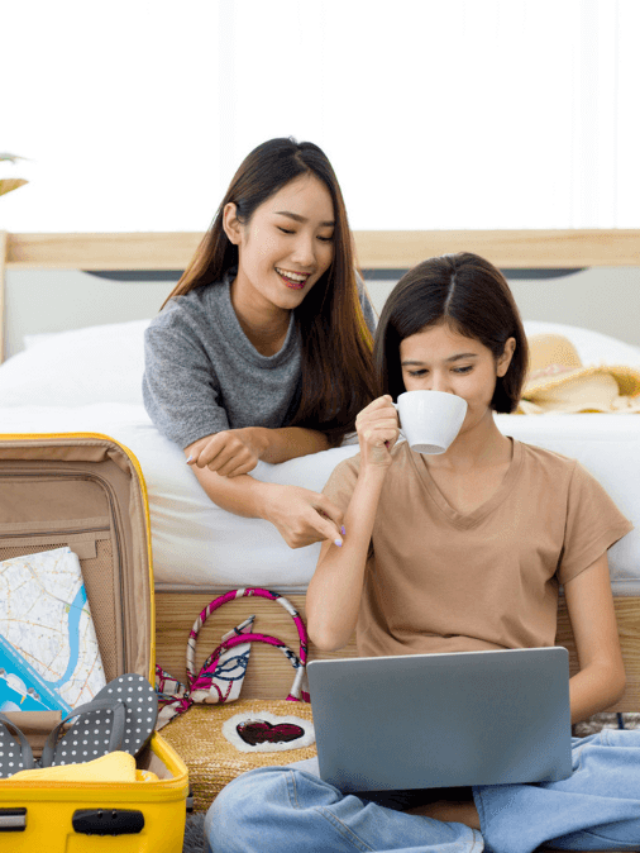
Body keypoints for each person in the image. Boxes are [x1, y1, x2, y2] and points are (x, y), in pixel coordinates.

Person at [205, 253, 640, 853]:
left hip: (520, 759)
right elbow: (329, 629)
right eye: (417, 372)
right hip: (393, 767)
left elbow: (607, 674)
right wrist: (376, 474)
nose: (439, 390)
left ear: (504, 358)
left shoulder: (565, 484)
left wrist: (510, 728)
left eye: (461, 368)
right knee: (242, 815)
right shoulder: (360, 478)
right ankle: (467, 831)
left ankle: (455, 827)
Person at [143, 138, 376, 549]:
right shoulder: (178, 333)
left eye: (325, 237)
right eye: (286, 229)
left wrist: (260, 441)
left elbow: (337, 429)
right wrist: (270, 501)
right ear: (235, 224)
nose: (307, 256)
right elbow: (208, 460)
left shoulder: (341, 300)